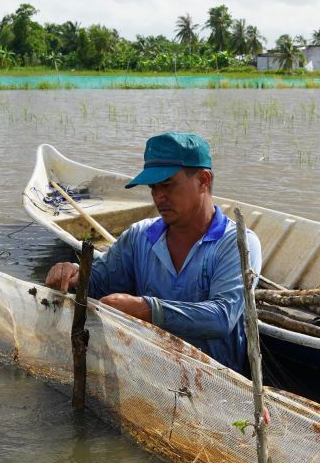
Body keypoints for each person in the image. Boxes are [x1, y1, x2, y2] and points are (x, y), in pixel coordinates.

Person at [45, 132, 261, 374]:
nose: (158, 196)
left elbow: (222, 317)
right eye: (153, 187)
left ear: (203, 180)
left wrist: (149, 310)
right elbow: (100, 283)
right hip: (147, 373)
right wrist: (73, 274)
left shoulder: (236, 244)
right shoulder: (140, 236)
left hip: (216, 380)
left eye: (167, 185)